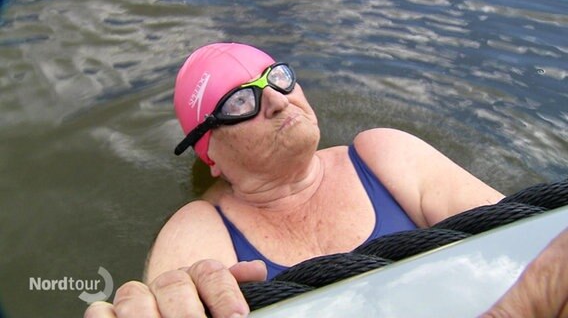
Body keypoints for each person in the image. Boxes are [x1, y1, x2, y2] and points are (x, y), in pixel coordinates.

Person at [85, 42, 506, 317]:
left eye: (278, 77)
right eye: (239, 101)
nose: (276, 99)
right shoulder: (200, 227)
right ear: (210, 154)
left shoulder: (385, 155)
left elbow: (524, 244)